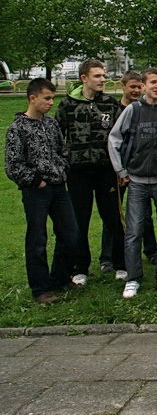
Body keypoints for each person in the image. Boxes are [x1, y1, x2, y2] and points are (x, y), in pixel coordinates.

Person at [5, 78, 81, 304]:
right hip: (36, 190)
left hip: (58, 185)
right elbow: (13, 164)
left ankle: (60, 276)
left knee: (70, 233)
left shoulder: (51, 124)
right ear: (32, 98)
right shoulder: (18, 128)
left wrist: (63, 169)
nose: (50, 102)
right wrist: (35, 180)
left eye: (52, 98)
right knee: (37, 238)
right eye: (47, 98)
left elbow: (62, 149)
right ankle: (40, 288)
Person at [107, 68, 157, 298]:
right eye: (152, 82)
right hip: (136, 180)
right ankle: (133, 277)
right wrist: (121, 169)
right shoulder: (132, 110)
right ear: (144, 85)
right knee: (134, 231)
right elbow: (115, 138)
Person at [55, 59, 125, 285]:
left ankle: (120, 263)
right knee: (79, 220)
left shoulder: (110, 104)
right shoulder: (67, 105)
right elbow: (57, 138)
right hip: (77, 172)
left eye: (104, 75)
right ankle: (80, 267)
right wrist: (63, 166)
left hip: (106, 170)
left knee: (113, 218)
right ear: (84, 78)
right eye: (97, 76)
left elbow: (120, 137)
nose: (103, 79)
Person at [104, 70, 157, 271]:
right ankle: (108, 256)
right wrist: (119, 169)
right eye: (132, 87)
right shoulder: (116, 109)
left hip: (145, 171)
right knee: (116, 214)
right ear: (123, 86)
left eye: (138, 87)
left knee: (145, 216)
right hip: (123, 169)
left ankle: (151, 250)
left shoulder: (155, 108)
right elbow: (112, 139)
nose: (136, 90)